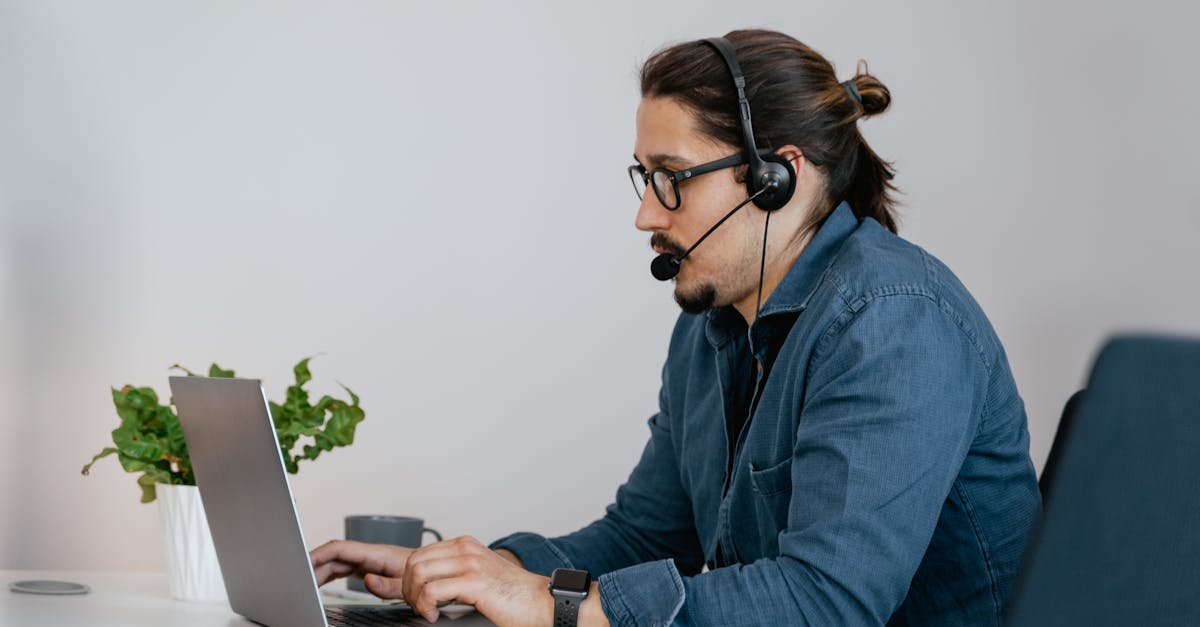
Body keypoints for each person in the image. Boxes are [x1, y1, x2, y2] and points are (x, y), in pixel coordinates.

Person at [310, 29, 1041, 626]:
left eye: (672, 176)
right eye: (643, 176)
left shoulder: (892, 320)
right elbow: (645, 535)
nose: (646, 213)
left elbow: (827, 600)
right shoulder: (714, 323)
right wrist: (477, 571)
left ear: (776, 178)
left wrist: (559, 606)